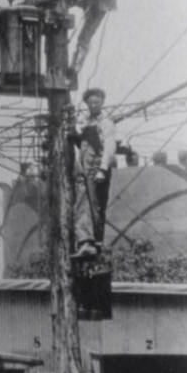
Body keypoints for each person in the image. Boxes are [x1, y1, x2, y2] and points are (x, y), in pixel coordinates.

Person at [73, 87, 117, 256]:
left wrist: (103, 169)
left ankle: (96, 241)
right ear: (87, 104)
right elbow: (78, 141)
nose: (94, 105)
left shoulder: (106, 123)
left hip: (98, 168)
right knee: (82, 204)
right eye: (91, 102)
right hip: (85, 168)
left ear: (102, 103)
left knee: (96, 206)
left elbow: (109, 147)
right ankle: (85, 241)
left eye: (97, 102)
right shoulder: (85, 122)